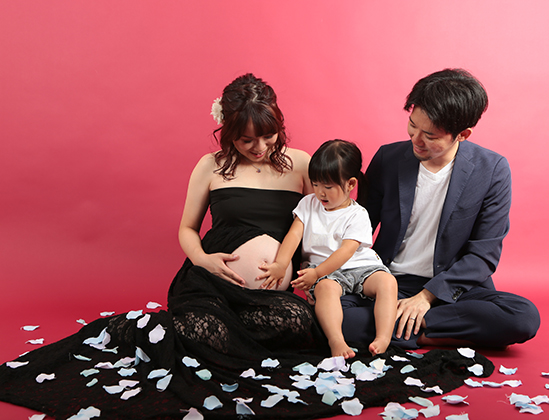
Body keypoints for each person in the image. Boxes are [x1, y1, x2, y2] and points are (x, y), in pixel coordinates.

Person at [0, 72, 497, 420]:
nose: (259, 148)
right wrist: (203, 258)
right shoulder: (209, 167)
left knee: (296, 324)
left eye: (268, 136)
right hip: (212, 280)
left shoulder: (301, 163)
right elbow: (187, 229)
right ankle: (191, 327)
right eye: (246, 141)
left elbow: (328, 216)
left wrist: (306, 270)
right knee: (205, 329)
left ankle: (390, 326)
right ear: (228, 135)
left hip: (277, 290)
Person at [341, 68, 541, 350]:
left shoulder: (492, 169)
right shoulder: (388, 158)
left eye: (430, 135)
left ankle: (401, 329)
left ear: (462, 134)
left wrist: (425, 298)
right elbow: (358, 228)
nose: (416, 139)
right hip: (387, 282)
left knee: (523, 317)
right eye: (412, 126)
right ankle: (426, 331)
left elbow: (484, 255)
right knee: (332, 314)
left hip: (453, 290)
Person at [259, 140, 398, 359]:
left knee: (388, 282)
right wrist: (280, 264)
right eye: (315, 184)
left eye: (328, 187)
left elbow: (346, 252)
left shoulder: (358, 214)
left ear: (350, 184)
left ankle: (383, 337)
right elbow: (294, 235)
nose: (320, 192)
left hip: (361, 267)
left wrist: (316, 273)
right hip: (327, 274)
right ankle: (336, 340)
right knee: (325, 289)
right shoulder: (308, 204)